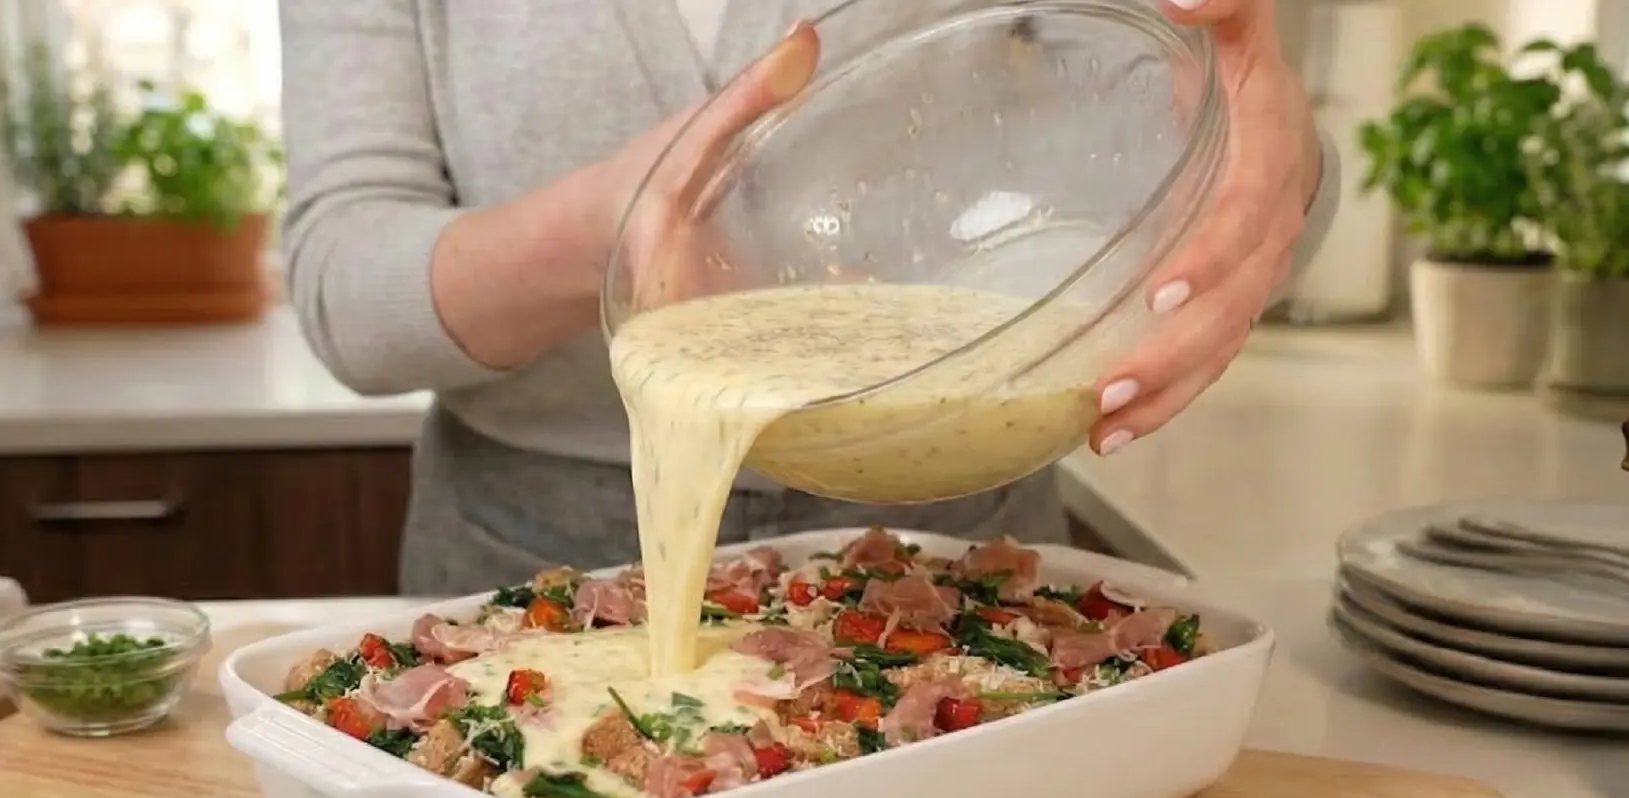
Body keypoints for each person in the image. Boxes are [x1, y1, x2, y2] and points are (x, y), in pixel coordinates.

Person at [281, 0, 1339, 596]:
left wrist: (1264, 164)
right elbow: (347, 292)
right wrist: (620, 215)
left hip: (956, 555)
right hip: (531, 562)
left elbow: (1185, 136)